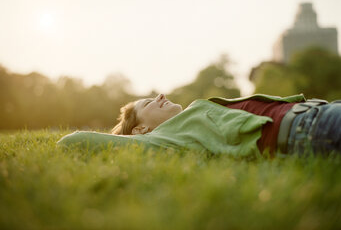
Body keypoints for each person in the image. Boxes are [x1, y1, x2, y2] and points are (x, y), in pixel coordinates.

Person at [58, 93, 341, 158]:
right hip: (310, 128)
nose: (160, 96)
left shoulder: (187, 118)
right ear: (140, 131)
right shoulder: (164, 137)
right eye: (148, 104)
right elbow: (70, 141)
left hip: (320, 110)